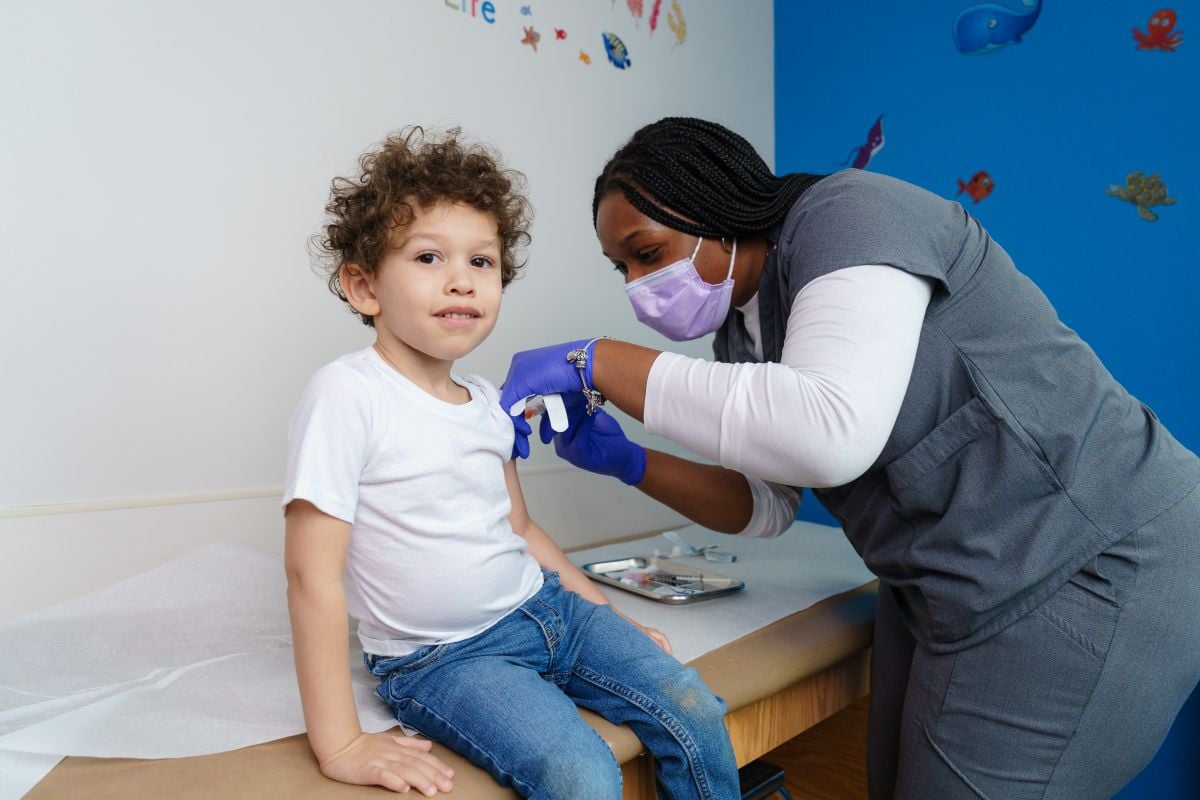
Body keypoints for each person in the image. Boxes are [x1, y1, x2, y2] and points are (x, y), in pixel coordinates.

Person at [498, 117, 1200, 799]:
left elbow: (827, 432)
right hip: (951, 580)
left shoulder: (852, 214)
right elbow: (770, 505)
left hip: (1088, 559)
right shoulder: (743, 335)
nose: (635, 288)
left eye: (647, 254)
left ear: (716, 211)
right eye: (622, 268)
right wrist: (630, 463)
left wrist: (595, 361)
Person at [281, 127, 739, 800]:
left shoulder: (489, 403)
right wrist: (342, 743)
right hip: (448, 659)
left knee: (693, 705)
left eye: (483, 262)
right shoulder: (347, 394)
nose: (462, 279)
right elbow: (309, 573)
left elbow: (521, 531)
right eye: (429, 257)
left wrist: (603, 613)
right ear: (363, 286)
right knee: (582, 775)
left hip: (547, 609)